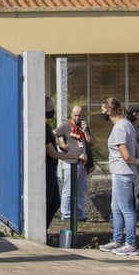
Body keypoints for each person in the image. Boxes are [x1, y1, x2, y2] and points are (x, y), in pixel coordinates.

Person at [99, 97, 139, 256]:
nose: (102, 113)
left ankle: (130, 244)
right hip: (121, 172)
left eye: (103, 110)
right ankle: (117, 240)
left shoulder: (119, 127)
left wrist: (137, 162)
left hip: (122, 172)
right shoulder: (127, 124)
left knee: (126, 209)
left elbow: (126, 155)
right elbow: (137, 148)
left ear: (110, 111)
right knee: (116, 209)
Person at [44, 97, 87, 229]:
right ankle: (42, 230)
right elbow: (53, 153)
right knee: (51, 202)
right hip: (48, 169)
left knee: (55, 202)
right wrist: (74, 155)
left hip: (53, 168)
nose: (52, 111)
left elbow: (91, 141)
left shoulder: (46, 126)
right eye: (51, 109)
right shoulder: (44, 128)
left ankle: (44, 229)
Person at [54, 105, 96, 222]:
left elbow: (92, 142)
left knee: (81, 190)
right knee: (68, 189)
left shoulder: (84, 126)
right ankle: (66, 214)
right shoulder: (66, 126)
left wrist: (85, 131)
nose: (77, 117)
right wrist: (62, 145)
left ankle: (79, 213)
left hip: (83, 163)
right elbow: (53, 134)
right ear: (71, 115)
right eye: (75, 115)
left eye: (79, 115)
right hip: (71, 162)